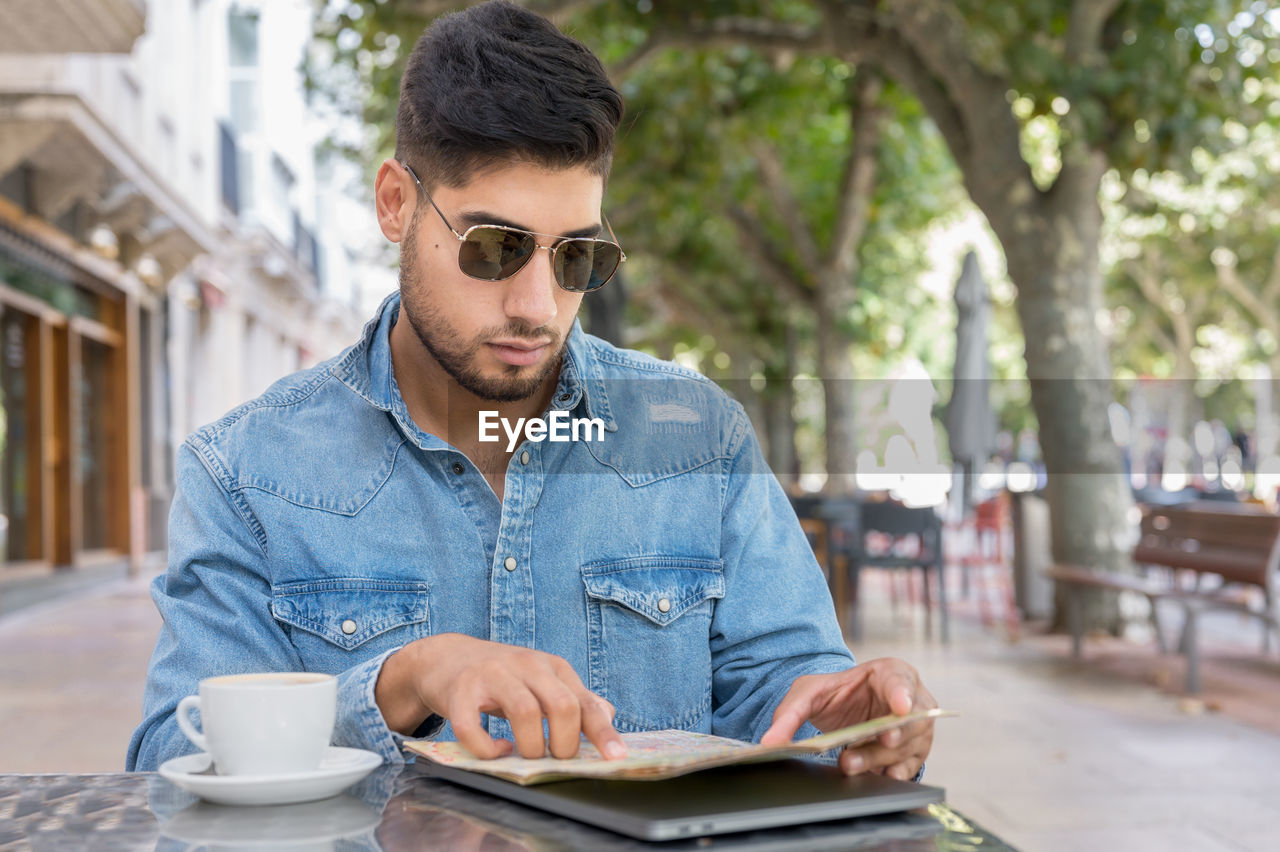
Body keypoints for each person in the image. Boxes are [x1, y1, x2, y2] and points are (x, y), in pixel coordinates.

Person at [127, 0, 937, 780]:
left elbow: (785, 690)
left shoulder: (699, 433)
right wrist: (402, 681)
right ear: (396, 203)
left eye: (576, 257)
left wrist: (848, 718)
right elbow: (171, 761)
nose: (535, 307)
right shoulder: (243, 472)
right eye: (493, 248)